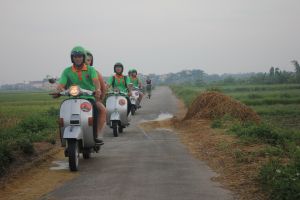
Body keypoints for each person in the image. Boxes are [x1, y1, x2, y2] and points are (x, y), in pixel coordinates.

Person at [56, 46, 104, 144]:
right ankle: (63, 137)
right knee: (63, 114)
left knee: (94, 110)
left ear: (83, 57)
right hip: (72, 98)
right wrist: (59, 89)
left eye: (80, 56)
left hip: (88, 98)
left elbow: (96, 81)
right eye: (75, 56)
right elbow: (61, 83)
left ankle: (95, 136)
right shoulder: (67, 71)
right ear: (72, 58)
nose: (77, 58)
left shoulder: (90, 70)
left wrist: (98, 90)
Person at [85, 50, 106, 135]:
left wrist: (100, 99)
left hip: (91, 99)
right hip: (75, 99)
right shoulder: (71, 71)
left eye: (89, 60)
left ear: (91, 62)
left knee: (102, 110)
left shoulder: (95, 73)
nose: (87, 62)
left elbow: (103, 88)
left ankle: (97, 133)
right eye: (85, 60)